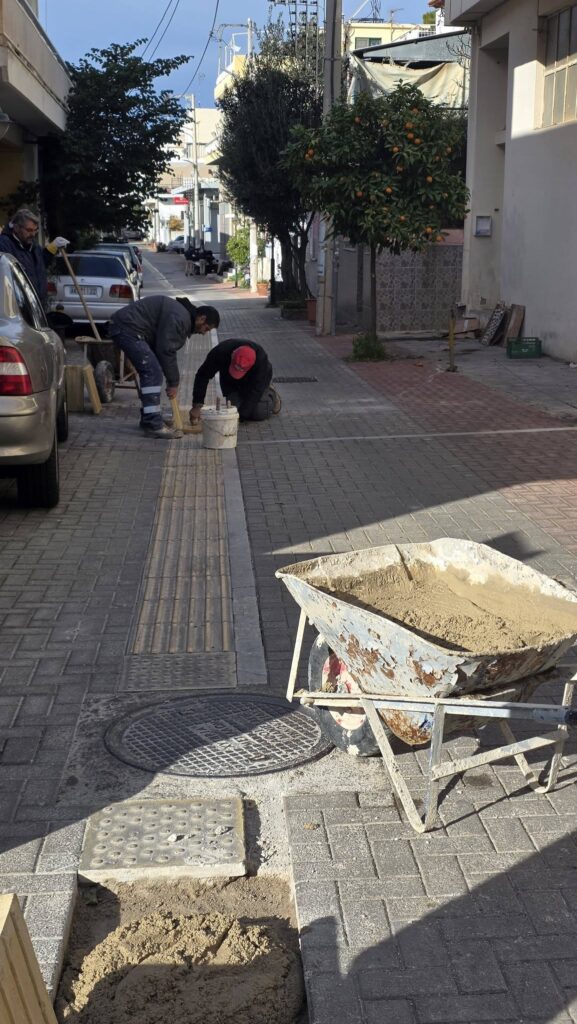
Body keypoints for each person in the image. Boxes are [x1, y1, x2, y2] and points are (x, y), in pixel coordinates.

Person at [108, 295, 220, 439]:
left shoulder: (182, 315)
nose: (204, 333)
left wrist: (170, 378)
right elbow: (166, 350)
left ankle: (150, 418)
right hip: (128, 329)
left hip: (129, 328)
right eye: (206, 328)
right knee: (152, 372)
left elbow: (162, 347)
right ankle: (153, 424)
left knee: (153, 370)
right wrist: (173, 383)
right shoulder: (181, 318)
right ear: (202, 318)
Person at [190, 339, 281, 425]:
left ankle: (271, 394)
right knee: (233, 410)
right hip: (230, 382)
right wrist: (197, 405)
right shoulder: (220, 352)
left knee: (259, 412)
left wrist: (240, 417)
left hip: (255, 382)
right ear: (232, 355)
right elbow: (203, 375)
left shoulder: (261, 361)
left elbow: (256, 391)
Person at [0, 209, 48, 307]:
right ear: (16, 228)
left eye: (35, 230)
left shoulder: (34, 247)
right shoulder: (4, 245)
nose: (33, 234)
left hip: (36, 306)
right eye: (29, 230)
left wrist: (49, 253)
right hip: (17, 306)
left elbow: (40, 269)